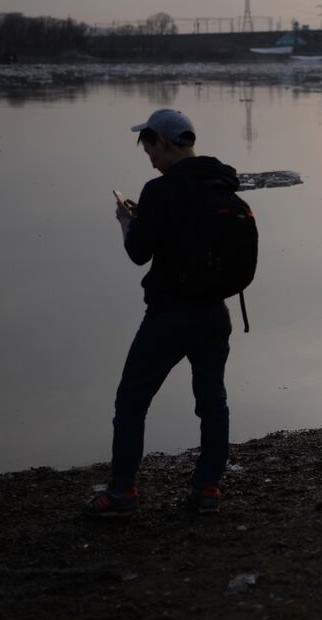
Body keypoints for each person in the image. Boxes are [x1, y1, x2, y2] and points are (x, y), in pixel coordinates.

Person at [85, 108, 246, 517]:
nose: (148, 156)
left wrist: (126, 222)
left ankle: (122, 494)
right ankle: (207, 490)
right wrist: (148, 221)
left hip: (171, 315)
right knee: (213, 402)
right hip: (215, 313)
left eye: (150, 146)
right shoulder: (221, 185)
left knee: (131, 400)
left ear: (167, 143)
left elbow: (139, 253)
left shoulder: (161, 191)